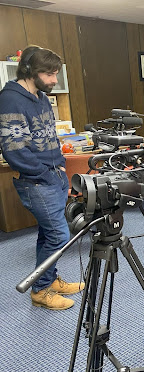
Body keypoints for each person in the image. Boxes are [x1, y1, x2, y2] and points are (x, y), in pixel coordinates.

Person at [0, 45, 84, 310]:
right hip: (36, 181)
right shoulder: (11, 100)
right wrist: (45, 174)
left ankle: (49, 280)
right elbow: (14, 149)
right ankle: (40, 290)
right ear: (30, 71)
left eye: (56, 73)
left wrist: (59, 167)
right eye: (49, 74)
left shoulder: (42, 96)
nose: (54, 80)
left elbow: (50, 137)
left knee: (48, 235)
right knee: (59, 236)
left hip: (53, 176)